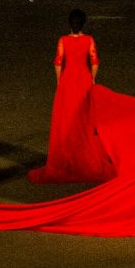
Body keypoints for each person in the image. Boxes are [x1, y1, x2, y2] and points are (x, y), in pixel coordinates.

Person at [30, 9, 113, 183]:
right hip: (83, 80)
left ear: (70, 24)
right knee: (84, 119)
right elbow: (95, 61)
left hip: (68, 82)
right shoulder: (89, 40)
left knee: (66, 119)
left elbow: (58, 61)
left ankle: (66, 158)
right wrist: (92, 79)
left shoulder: (63, 40)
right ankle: (85, 156)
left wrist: (60, 82)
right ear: (83, 23)